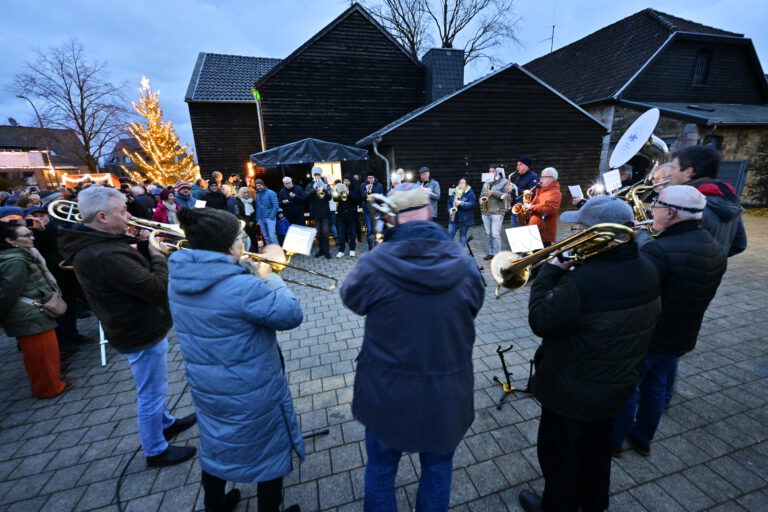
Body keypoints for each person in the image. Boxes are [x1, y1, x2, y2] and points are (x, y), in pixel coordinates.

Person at [340, 183, 484, 512]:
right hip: (446, 391)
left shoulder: (374, 262)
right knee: (438, 467)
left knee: (380, 468)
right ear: (430, 212)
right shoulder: (464, 264)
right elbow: (473, 307)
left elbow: (351, 299)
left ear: (392, 219)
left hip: (386, 391)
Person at [518, 195, 661, 512]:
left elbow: (540, 320)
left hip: (571, 389)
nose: (575, 234)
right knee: (596, 450)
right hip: (616, 384)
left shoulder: (582, 281)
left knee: (558, 456)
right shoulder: (647, 267)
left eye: (581, 228)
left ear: (600, 234)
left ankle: (557, 507)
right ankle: (594, 503)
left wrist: (549, 274)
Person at [168, 207, 304, 512]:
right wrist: (270, 276)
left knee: (218, 441)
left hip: (209, 384)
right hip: (250, 384)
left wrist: (245, 269)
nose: (244, 241)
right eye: (240, 236)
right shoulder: (242, 286)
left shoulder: (180, 273)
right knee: (268, 447)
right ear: (229, 245)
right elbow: (290, 315)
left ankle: (214, 505)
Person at [58, 186, 197, 467]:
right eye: (123, 212)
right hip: (137, 329)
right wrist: (157, 255)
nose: (129, 217)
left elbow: (130, 276)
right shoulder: (105, 254)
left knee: (154, 387)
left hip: (134, 323)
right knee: (152, 392)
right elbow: (156, 287)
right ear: (102, 217)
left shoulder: (100, 243)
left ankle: (165, 423)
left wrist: (143, 246)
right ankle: (155, 449)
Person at [612, 186, 727, 457]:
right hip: (682, 334)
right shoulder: (714, 247)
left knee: (627, 388)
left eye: (658, 205)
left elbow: (635, 295)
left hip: (649, 336)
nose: (653, 210)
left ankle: (613, 440)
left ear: (672, 212)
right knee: (656, 386)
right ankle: (643, 438)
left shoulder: (659, 250)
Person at [0, 221, 68, 398]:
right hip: (28, 314)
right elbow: (8, 293)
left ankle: (51, 384)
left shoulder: (18, 256)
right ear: (10, 240)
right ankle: (48, 389)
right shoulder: (15, 261)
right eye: (26, 235)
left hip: (29, 312)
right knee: (41, 355)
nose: (32, 238)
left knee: (43, 354)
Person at [666, 145, 747, 257]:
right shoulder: (730, 201)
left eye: (674, 168)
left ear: (688, 172)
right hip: (714, 266)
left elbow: (668, 245)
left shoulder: (686, 202)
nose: (670, 174)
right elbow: (739, 244)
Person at [524, 167, 562, 248]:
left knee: (540, 256)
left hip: (544, 233)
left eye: (544, 177)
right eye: (541, 177)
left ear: (552, 179)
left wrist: (532, 207)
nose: (541, 179)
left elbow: (551, 210)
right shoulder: (541, 190)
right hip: (534, 230)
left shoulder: (555, 193)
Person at [480, 166, 508, 260]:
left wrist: (493, 192)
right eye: (490, 171)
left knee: (495, 234)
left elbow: (505, 196)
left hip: (497, 211)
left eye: (493, 171)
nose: (491, 173)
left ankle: (497, 255)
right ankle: (491, 252)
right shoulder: (486, 183)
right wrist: (482, 200)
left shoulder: (504, 181)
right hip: (486, 211)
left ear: (497, 172)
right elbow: (481, 195)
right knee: (489, 234)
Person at [305, 168, 332, 258]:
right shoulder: (309, 185)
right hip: (315, 212)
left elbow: (329, 197)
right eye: (315, 175)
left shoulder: (325, 185)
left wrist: (324, 190)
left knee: (325, 232)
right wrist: (314, 190)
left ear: (320, 175)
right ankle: (321, 250)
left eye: (318, 175)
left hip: (325, 212)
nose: (317, 176)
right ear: (313, 176)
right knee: (319, 232)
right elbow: (306, 197)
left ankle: (326, 251)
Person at [335, 175, 360, 258]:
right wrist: (338, 192)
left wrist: (349, 193)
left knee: (352, 233)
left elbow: (358, 199)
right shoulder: (340, 188)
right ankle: (341, 250)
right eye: (344, 181)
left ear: (350, 182)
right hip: (341, 215)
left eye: (347, 181)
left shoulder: (355, 189)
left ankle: (352, 249)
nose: (346, 182)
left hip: (352, 215)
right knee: (341, 234)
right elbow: (335, 199)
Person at [446, 177, 475, 247]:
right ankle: (448, 250)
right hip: (453, 218)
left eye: (462, 183)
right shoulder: (454, 191)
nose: (460, 185)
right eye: (459, 183)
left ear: (466, 185)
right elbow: (449, 202)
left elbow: (471, 204)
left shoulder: (470, 193)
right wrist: (449, 209)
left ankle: (460, 251)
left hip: (465, 219)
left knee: (462, 235)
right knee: (449, 234)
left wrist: (461, 203)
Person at [511, 156, 540, 227]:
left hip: (526, 211)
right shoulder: (518, 177)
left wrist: (514, 189)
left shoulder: (533, 177)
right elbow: (517, 193)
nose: (518, 167)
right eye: (517, 165)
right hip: (516, 208)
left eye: (520, 164)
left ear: (527, 166)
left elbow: (533, 193)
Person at [361, 173, 383, 250]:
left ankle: (378, 247)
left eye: (372, 177)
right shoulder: (363, 185)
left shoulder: (379, 185)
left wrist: (374, 196)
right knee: (369, 230)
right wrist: (366, 191)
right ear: (367, 178)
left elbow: (381, 198)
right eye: (369, 178)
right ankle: (370, 247)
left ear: (374, 178)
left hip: (377, 210)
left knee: (378, 229)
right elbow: (362, 198)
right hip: (367, 211)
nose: (370, 179)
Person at [254, 179, 279, 245]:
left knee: (272, 236)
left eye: (259, 185)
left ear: (263, 185)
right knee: (266, 236)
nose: (258, 187)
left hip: (269, 218)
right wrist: (258, 219)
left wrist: (272, 216)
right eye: (257, 186)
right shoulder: (257, 194)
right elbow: (257, 207)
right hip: (261, 218)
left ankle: (277, 250)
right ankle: (270, 250)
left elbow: (276, 205)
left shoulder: (271, 193)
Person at [235, 187, 259, 251]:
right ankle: (249, 251)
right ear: (241, 193)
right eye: (244, 193)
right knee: (246, 239)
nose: (246, 194)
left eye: (247, 192)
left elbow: (255, 212)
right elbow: (238, 214)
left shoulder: (252, 201)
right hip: (244, 224)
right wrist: (247, 222)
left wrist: (252, 221)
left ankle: (256, 252)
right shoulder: (237, 202)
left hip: (252, 223)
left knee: (254, 238)